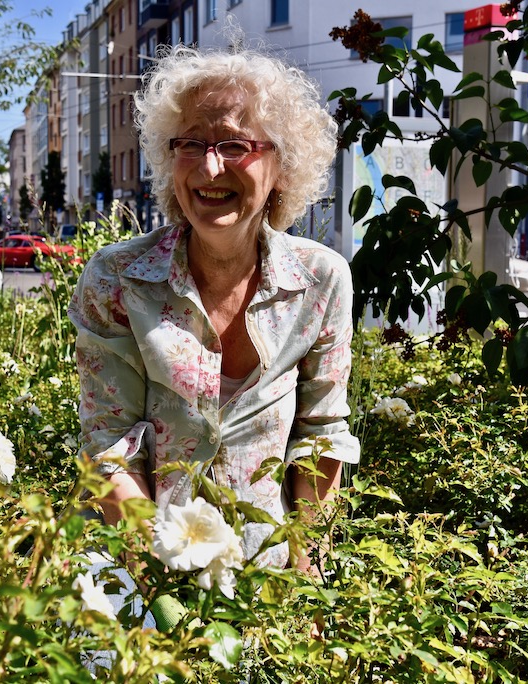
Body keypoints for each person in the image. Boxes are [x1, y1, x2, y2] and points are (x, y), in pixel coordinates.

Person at [68, 44, 360, 621]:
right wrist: (156, 579)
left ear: (282, 163)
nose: (209, 168)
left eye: (235, 145)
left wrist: (303, 575)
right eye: (192, 144)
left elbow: (322, 435)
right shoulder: (119, 279)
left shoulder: (321, 280)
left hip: (265, 580)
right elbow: (107, 444)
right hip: (134, 573)